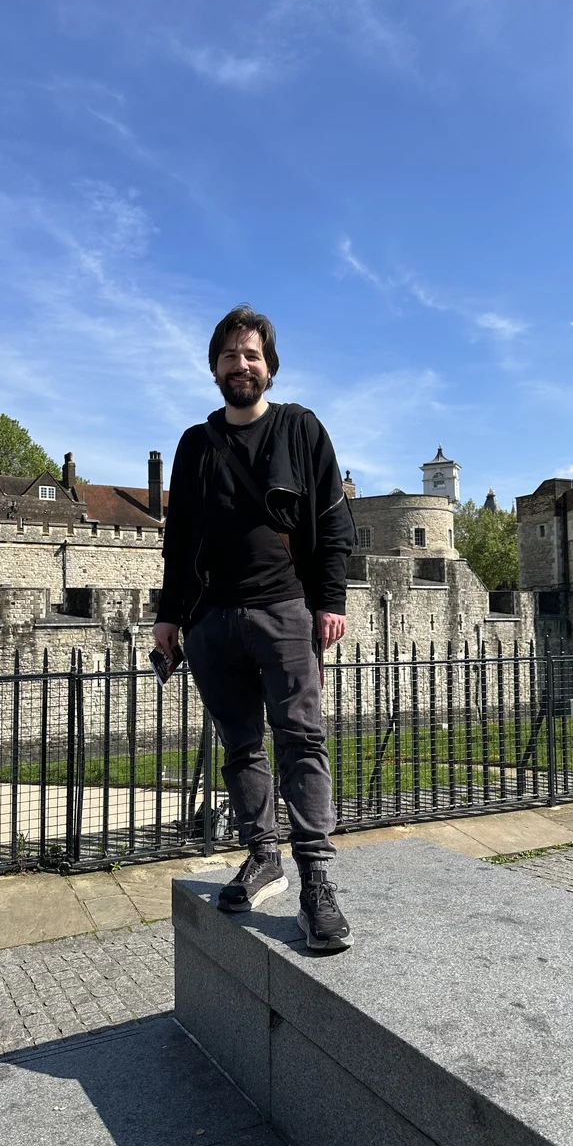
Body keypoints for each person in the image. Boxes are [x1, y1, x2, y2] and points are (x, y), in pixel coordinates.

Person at [153, 305, 355, 950]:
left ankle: (316, 880)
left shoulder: (300, 429)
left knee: (301, 739)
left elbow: (332, 517)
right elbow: (179, 536)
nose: (240, 365)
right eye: (229, 355)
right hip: (212, 619)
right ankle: (261, 851)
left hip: (284, 609)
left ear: (269, 367)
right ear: (213, 366)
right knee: (240, 745)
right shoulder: (196, 443)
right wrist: (169, 612)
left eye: (251, 355)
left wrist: (329, 600)